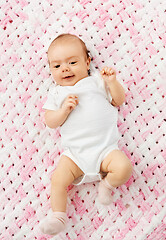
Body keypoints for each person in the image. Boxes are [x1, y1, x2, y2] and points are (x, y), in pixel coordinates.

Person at [39, 33, 132, 235]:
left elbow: (118, 100)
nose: (65, 68)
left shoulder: (97, 82)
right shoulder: (57, 93)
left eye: (72, 62)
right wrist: (63, 111)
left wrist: (112, 82)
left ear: (87, 61)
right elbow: (50, 121)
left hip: (105, 149)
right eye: (56, 66)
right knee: (57, 181)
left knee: (124, 168)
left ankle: (107, 185)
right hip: (75, 155)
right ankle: (58, 216)